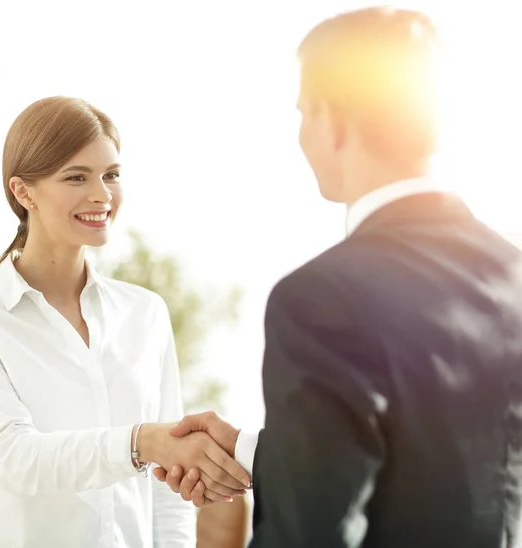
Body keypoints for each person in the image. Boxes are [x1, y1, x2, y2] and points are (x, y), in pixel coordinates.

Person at [154, 6, 522, 547]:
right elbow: (437, 470)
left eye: (304, 113)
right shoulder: (511, 273)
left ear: (334, 120)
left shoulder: (321, 298)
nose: (301, 134)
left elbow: (312, 533)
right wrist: (255, 451)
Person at [0, 96, 250, 548]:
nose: (102, 194)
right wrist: (142, 442)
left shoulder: (145, 312)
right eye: (76, 177)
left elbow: (167, 486)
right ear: (23, 192)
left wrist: (162, 451)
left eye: (111, 175)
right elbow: (13, 457)